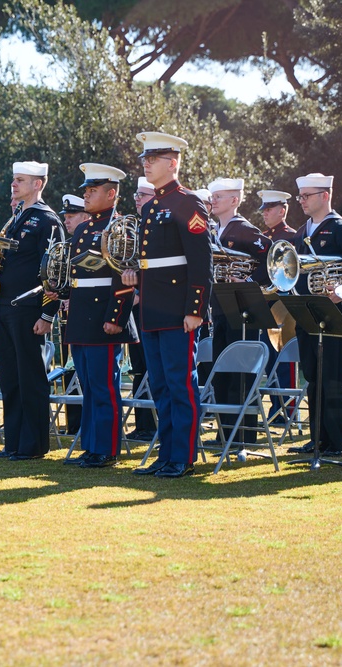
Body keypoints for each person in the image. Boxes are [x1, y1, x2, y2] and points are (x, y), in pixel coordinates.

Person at [124, 132, 212, 478]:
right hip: (153, 308)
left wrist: (195, 309)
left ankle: (183, 455)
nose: (145, 163)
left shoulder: (188, 202)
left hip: (178, 308)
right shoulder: (153, 206)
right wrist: (135, 277)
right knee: (159, 384)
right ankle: (166, 454)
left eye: (153, 158)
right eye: (145, 158)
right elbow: (153, 262)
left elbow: (200, 261)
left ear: (172, 163)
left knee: (180, 383)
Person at [285, 173, 342, 457]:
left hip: (333, 310)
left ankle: (336, 441)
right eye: (300, 196)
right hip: (307, 309)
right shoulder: (303, 231)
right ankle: (318, 438)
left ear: (325, 196)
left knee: (333, 377)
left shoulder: (340, 229)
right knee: (312, 376)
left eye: (306, 196)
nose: (301, 201)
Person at [0, 161, 63, 461]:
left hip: (29, 308)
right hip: (3, 306)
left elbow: (55, 271)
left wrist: (47, 314)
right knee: (10, 378)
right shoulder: (14, 218)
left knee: (30, 378)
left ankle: (33, 445)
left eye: (21, 180)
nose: (14, 185)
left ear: (38, 184)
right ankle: (14, 442)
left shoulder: (46, 219)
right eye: (14, 179)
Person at [57, 162, 136, 468]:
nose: (87, 196)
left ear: (111, 193)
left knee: (104, 386)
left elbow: (123, 276)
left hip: (104, 316)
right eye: (86, 191)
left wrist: (116, 317)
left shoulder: (119, 228)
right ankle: (91, 445)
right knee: (89, 385)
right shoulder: (86, 227)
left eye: (93, 191)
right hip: (82, 315)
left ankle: (106, 448)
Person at [207, 177, 271, 448]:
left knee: (240, 376)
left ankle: (243, 436)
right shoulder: (216, 230)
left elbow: (272, 257)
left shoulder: (243, 229)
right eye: (213, 197)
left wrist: (249, 281)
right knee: (221, 375)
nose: (213, 202)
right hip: (221, 309)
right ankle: (227, 434)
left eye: (219, 197)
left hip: (242, 312)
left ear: (234, 201)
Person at [257, 189, 299, 423]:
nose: (265, 213)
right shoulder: (263, 237)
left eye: (269, 209)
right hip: (265, 304)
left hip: (283, 304)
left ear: (282, 211)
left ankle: (289, 409)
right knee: (269, 361)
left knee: (284, 360)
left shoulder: (291, 237)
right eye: (263, 209)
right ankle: (276, 407)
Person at [126, 176, 158, 442]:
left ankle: (153, 424)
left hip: (150, 304)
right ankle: (143, 423)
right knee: (139, 368)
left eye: (143, 195)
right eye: (137, 194)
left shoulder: (156, 225)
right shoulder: (133, 227)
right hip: (134, 307)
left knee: (152, 367)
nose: (137, 199)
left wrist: (140, 291)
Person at [57, 194, 89, 446]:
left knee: (94, 385)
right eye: (65, 216)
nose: (66, 221)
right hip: (74, 317)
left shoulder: (95, 239)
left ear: (85, 216)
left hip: (90, 316)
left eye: (71, 216)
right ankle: (79, 430)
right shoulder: (71, 244)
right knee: (79, 376)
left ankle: (95, 442)